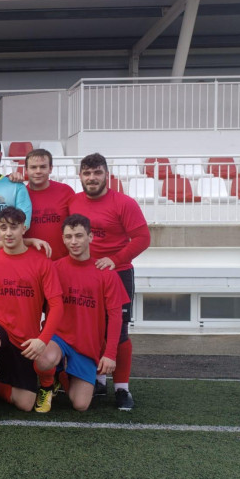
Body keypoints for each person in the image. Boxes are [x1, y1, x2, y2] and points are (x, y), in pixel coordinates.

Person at [69, 153, 151, 411]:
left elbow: (142, 238)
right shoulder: (73, 202)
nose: (92, 178)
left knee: (120, 332)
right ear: (80, 176)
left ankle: (122, 388)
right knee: (94, 329)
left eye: (97, 173)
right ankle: (99, 381)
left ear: (107, 174)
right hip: (86, 275)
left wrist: (115, 260)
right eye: (87, 173)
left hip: (118, 273)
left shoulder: (124, 203)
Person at [0, 207, 63, 423]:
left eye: (14, 227)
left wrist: (43, 340)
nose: (8, 233)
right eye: (3, 228)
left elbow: (57, 305)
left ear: (25, 228)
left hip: (25, 337)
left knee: (25, 404)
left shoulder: (42, 262)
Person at [34, 214, 129, 413]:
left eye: (79, 236)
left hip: (87, 345)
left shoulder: (106, 274)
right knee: (43, 359)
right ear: (62, 239)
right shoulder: (54, 268)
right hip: (58, 337)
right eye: (68, 237)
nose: (74, 242)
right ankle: (49, 382)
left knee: (80, 404)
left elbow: (115, 316)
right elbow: (32, 297)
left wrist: (110, 354)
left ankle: (62, 373)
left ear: (90, 237)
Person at [24, 148, 76, 260]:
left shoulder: (65, 191)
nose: (38, 171)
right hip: (30, 263)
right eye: (33, 167)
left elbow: (77, 225)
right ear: (26, 170)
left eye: (43, 167)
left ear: (50, 169)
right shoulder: (20, 194)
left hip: (62, 261)